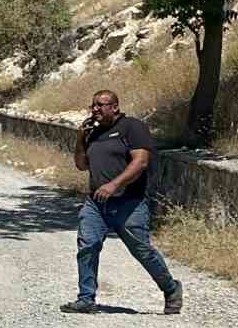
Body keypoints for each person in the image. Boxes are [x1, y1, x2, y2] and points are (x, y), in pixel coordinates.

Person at [61, 89, 184, 315]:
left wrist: (114, 185)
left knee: (141, 250)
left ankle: (171, 288)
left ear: (115, 107)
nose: (95, 109)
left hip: (129, 202)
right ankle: (86, 298)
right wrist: (80, 138)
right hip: (96, 203)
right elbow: (81, 165)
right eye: (93, 105)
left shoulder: (132, 127)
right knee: (87, 245)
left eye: (101, 105)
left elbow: (141, 162)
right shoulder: (93, 133)